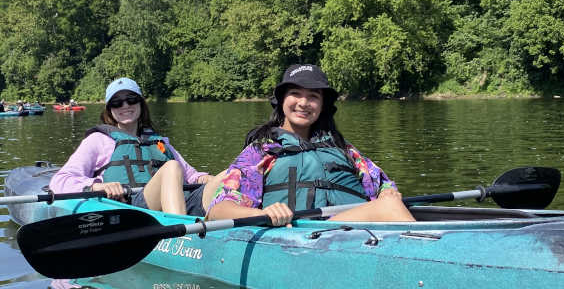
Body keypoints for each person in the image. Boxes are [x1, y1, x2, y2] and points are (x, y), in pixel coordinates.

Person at [206, 64, 415, 225]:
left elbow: (382, 183)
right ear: (282, 100)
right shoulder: (261, 151)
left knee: (390, 202)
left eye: (313, 96)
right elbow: (218, 210)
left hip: (357, 231)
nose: (303, 103)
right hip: (303, 234)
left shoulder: (344, 149)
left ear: (322, 106)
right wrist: (262, 213)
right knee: (389, 207)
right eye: (295, 93)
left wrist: (388, 191)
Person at [50, 77, 223, 216]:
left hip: (181, 202)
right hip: (135, 209)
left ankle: (241, 229)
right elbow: (60, 181)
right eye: (117, 102)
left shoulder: (159, 141)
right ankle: (180, 233)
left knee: (228, 176)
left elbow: (191, 175)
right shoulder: (98, 140)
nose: (125, 106)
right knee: (171, 167)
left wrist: (205, 179)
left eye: (131, 99)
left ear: (141, 104)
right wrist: (97, 186)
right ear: (110, 109)